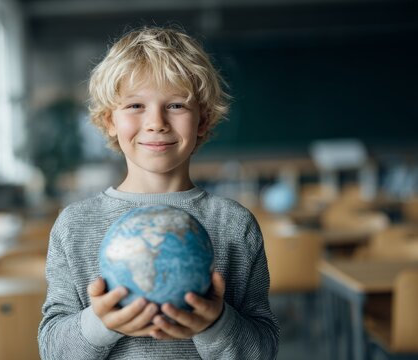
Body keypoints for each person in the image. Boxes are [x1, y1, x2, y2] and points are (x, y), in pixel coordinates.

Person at [38, 26, 279, 359]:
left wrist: (217, 323)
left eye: (177, 105)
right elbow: (52, 349)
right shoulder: (74, 225)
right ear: (110, 120)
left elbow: (263, 350)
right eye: (136, 105)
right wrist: (101, 322)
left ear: (203, 121)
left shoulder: (235, 225)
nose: (156, 122)